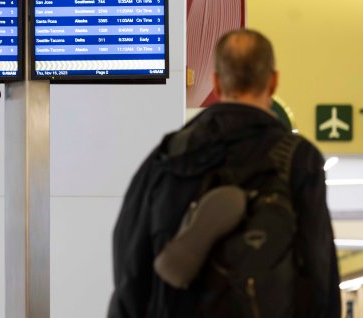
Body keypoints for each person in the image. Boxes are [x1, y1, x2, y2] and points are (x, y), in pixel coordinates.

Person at [108, 29, 340, 317]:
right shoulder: (299, 158)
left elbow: (130, 255)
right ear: (273, 81)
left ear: (216, 82)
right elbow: (319, 266)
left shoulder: (170, 154)